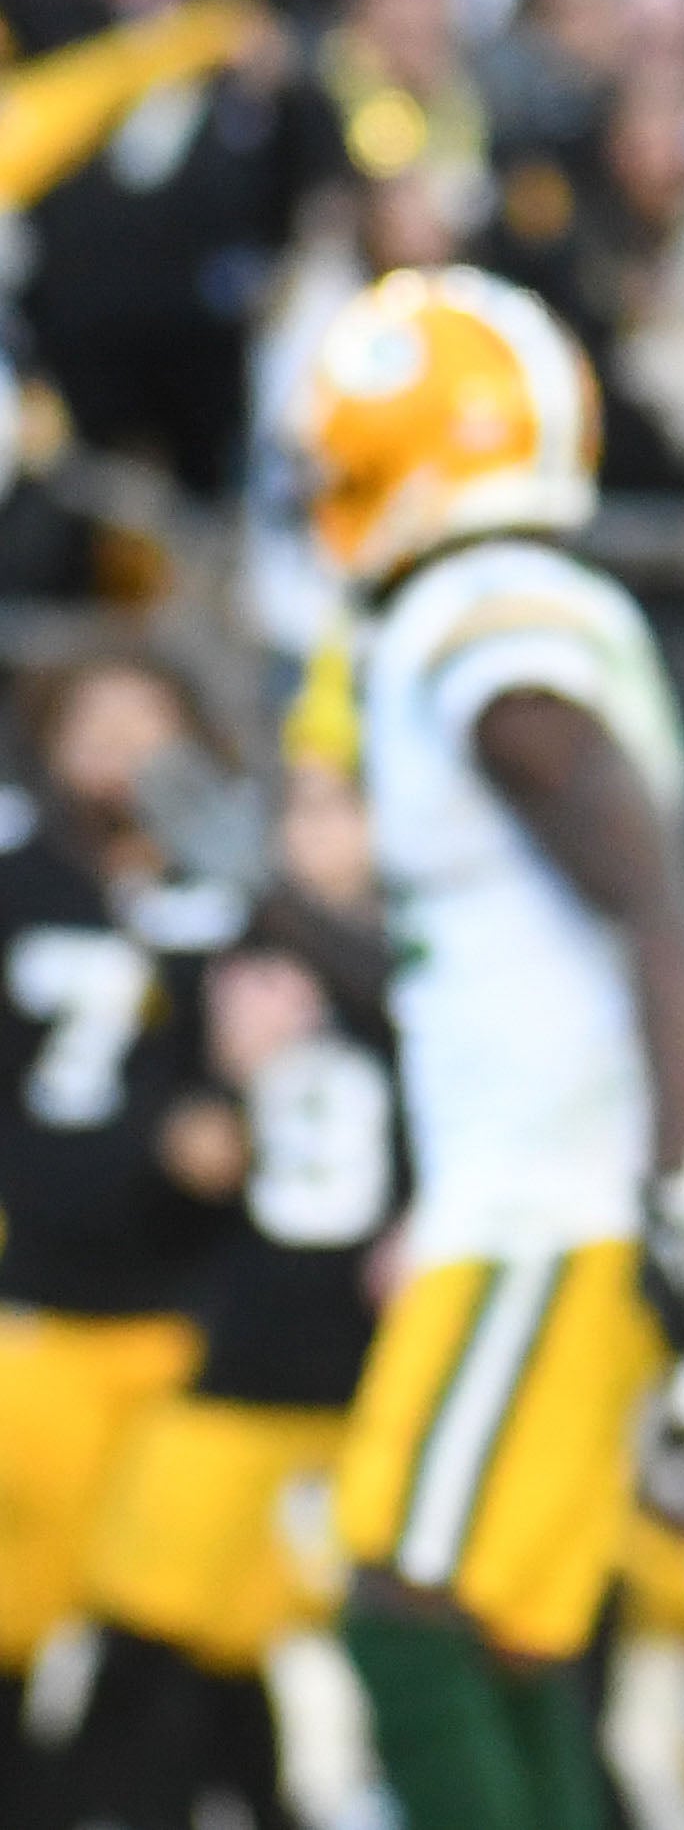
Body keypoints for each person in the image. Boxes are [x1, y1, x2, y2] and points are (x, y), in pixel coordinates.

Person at [294, 264, 684, 1830]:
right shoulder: (499, 607)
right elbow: (497, 953)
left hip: (547, 1201)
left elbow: (652, 894)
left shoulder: (472, 614)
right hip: (541, 1189)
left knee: (399, 1598)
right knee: (510, 1631)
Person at [64, 664, 401, 1830]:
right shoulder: (224, 956)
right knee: (157, 1641)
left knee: (341, 1670)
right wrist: (211, 1105)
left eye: (344, 806)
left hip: (369, 1383)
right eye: (299, 806)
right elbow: (148, 1160)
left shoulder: (436, 970)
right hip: (238, 1358)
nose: (317, 833)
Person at [0, 653, 241, 1818]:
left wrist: (229, 1111)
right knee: (14, 1614)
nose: (119, 743)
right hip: (35, 1304)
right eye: (92, 717)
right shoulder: (19, 886)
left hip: (187, 1310)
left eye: (147, 718)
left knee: (168, 1623)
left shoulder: (235, 893)